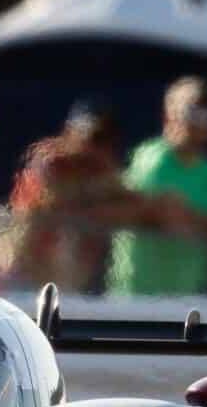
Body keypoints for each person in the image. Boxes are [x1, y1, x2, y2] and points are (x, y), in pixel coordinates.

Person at [110, 77, 207, 297]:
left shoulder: (206, 169)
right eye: (192, 110)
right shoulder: (154, 159)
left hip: (186, 301)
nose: (200, 120)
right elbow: (171, 219)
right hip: (137, 301)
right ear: (170, 114)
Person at [9, 99, 140, 290]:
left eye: (100, 139)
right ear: (68, 132)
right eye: (86, 137)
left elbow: (134, 206)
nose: (90, 146)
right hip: (28, 276)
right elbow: (47, 205)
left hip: (78, 284)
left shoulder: (104, 170)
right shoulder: (51, 160)